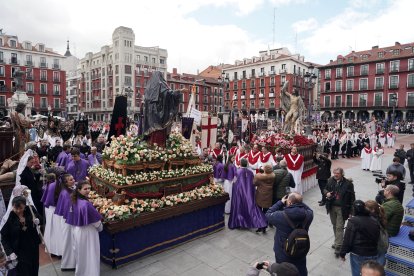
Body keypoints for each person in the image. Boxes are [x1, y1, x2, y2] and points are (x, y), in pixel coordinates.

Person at [265, 193, 313, 276]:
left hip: (283, 252)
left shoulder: (280, 216)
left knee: (283, 271)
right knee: (301, 269)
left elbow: (268, 213)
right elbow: (310, 209)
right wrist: (299, 202)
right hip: (300, 249)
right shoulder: (309, 215)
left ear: (290, 203)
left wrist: (280, 202)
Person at [67, 181, 103, 276]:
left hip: (77, 230)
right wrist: (100, 228)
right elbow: (97, 222)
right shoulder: (85, 204)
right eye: (85, 189)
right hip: (88, 232)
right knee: (91, 253)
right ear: (79, 190)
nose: (88, 191)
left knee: (81, 255)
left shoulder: (73, 199)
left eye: (89, 188)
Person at [1, 196, 41, 276]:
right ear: (13, 207)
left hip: (33, 246)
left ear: (25, 206)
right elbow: (4, 237)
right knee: (24, 271)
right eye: (16, 209)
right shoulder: (10, 218)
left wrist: (38, 220)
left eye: (21, 208)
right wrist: (9, 252)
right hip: (19, 249)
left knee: (34, 268)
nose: (19, 211)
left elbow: (39, 218)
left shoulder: (30, 209)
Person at [339, 200, 380, 276]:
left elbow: (347, 240)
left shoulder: (353, 221)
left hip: (358, 254)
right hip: (373, 253)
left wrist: (342, 254)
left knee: (357, 273)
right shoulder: (374, 220)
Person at [324, 167, 355, 257]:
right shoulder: (330, 180)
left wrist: (352, 211)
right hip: (332, 207)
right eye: (334, 173)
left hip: (342, 208)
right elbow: (324, 189)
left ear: (342, 174)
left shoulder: (348, 184)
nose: (335, 175)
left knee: (339, 227)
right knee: (335, 225)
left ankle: (338, 246)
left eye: (337, 173)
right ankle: (338, 241)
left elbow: (352, 198)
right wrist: (327, 193)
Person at [228, 158, 267, 230]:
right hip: (249, 192)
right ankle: (259, 221)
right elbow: (253, 183)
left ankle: (239, 222)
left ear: (240, 164)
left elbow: (234, 182)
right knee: (250, 206)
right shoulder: (250, 172)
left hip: (240, 192)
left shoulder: (237, 171)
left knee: (239, 206)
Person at [54, 174, 76, 270]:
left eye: (73, 179)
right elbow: (69, 209)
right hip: (68, 220)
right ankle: (67, 264)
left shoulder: (69, 190)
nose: (73, 180)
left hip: (69, 220)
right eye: (71, 180)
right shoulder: (65, 193)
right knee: (68, 242)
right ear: (66, 183)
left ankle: (72, 262)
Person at [40, 173, 63, 257]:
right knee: (58, 230)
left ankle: (51, 250)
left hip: (50, 209)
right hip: (56, 209)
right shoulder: (56, 185)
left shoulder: (49, 185)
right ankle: (59, 251)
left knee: (50, 229)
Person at [253, 164, 275, 233]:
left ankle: (260, 226)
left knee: (259, 211)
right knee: (266, 211)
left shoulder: (259, 177)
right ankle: (264, 227)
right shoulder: (273, 176)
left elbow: (254, 183)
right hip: (269, 195)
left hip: (260, 195)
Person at [365, 200, 388, 265]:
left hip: (376, 247)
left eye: (365, 208)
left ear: (372, 210)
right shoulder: (381, 216)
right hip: (382, 246)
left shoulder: (371, 220)